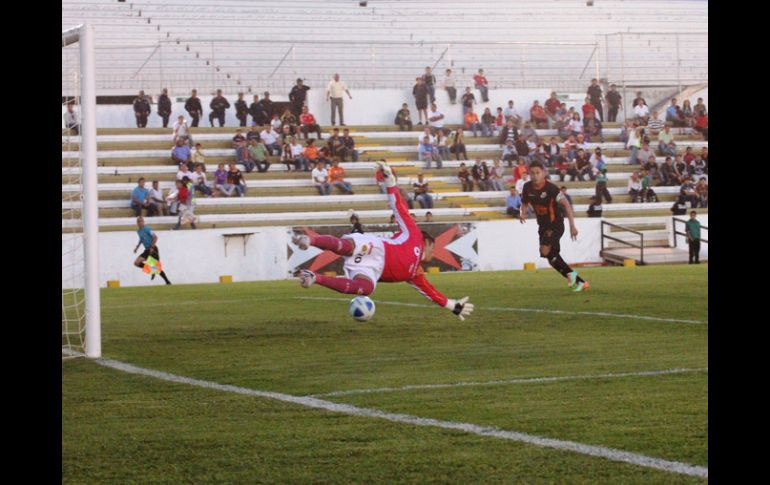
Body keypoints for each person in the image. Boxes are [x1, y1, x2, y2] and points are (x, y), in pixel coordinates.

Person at [293, 161, 475, 320]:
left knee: (365, 289)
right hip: (376, 249)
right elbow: (399, 208)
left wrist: (453, 306)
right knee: (346, 247)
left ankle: (314, 277)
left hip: (371, 269)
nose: (432, 253)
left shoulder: (414, 274)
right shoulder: (415, 235)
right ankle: (310, 240)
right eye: (432, 248)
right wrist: (390, 183)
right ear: (427, 242)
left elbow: (431, 292)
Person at [519, 160, 589, 292]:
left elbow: (566, 205)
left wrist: (572, 226)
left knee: (545, 250)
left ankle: (571, 275)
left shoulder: (551, 189)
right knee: (551, 258)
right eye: (532, 173)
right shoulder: (527, 187)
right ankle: (580, 281)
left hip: (555, 223)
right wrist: (522, 212)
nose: (535, 176)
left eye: (537, 173)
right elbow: (524, 202)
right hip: (543, 226)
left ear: (544, 173)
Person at [133, 217, 171, 284]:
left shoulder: (147, 229)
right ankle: (151, 270)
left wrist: (152, 247)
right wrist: (137, 247)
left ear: (143, 222)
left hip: (152, 249)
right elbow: (141, 239)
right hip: (147, 250)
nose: (140, 223)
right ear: (137, 223)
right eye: (139, 221)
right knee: (136, 263)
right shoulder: (139, 231)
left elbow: (155, 237)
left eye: (141, 221)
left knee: (157, 268)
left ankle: (167, 281)